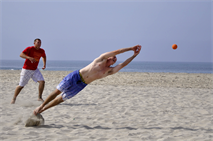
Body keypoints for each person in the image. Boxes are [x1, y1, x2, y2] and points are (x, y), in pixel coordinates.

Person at [33, 45, 141, 115]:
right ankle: (41, 105)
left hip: (81, 85)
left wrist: (134, 55)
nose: (114, 58)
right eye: (113, 57)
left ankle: (42, 110)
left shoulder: (109, 71)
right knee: (57, 91)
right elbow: (118, 51)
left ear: (113, 63)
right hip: (76, 75)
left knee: (61, 99)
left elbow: (123, 64)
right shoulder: (101, 58)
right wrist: (130, 49)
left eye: (115, 60)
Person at [11, 38, 46, 104]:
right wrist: (29, 57)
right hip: (26, 69)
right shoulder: (29, 48)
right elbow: (21, 55)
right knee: (21, 85)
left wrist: (44, 64)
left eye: (40, 43)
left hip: (35, 69)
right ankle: (14, 98)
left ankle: (39, 97)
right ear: (34, 43)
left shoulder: (42, 51)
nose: (39, 44)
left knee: (42, 82)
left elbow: (44, 56)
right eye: (38, 42)